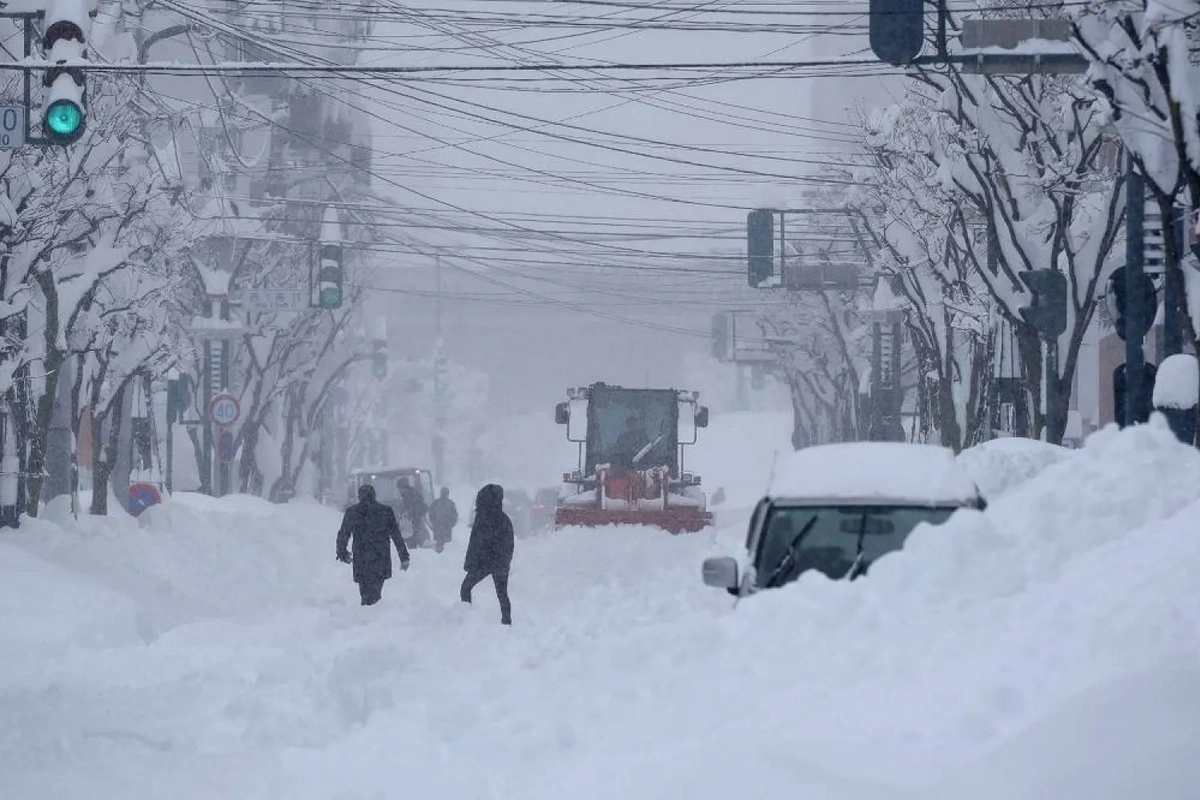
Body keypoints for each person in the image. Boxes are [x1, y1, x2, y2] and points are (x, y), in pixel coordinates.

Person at [337, 484, 410, 606]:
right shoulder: (386, 511)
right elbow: (396, 536)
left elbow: (344, 534)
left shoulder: (352, 512)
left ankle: (367, 609)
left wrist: (342, 553)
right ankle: (374, 610)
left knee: (364, 589)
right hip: (380, 557)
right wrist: (404, 557)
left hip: (361, 557)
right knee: (377, 588)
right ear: (374, 495)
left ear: (359, 496)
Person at [461, 483, 514, 625]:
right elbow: (509, 545)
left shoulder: (483, 518)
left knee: (465, 587)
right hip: (500, 563)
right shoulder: (504, 519)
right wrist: (504, 562)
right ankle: (507, 622)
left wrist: (471, 564)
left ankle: (466, 620)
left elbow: (476, 544)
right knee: (502, 594)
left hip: (484, 562)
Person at [397, 477, 430, 547]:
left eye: (399, 488)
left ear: (403, 487)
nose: (399, 491)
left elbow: (416, 510)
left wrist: (409, 515)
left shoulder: (409, 496)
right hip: (414, 526)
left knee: (415, 547)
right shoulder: (412, 494)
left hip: (414, 527)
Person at [428, 486, 458, 554]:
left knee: (439, 544)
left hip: (438, 528)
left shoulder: (435, 503)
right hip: (446, 528)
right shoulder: (451, 503)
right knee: (446, 547)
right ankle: (443, 557)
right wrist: (450, 524)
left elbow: (430, 514)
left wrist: (434, 523)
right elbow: (455, 516)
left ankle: (439, 555)